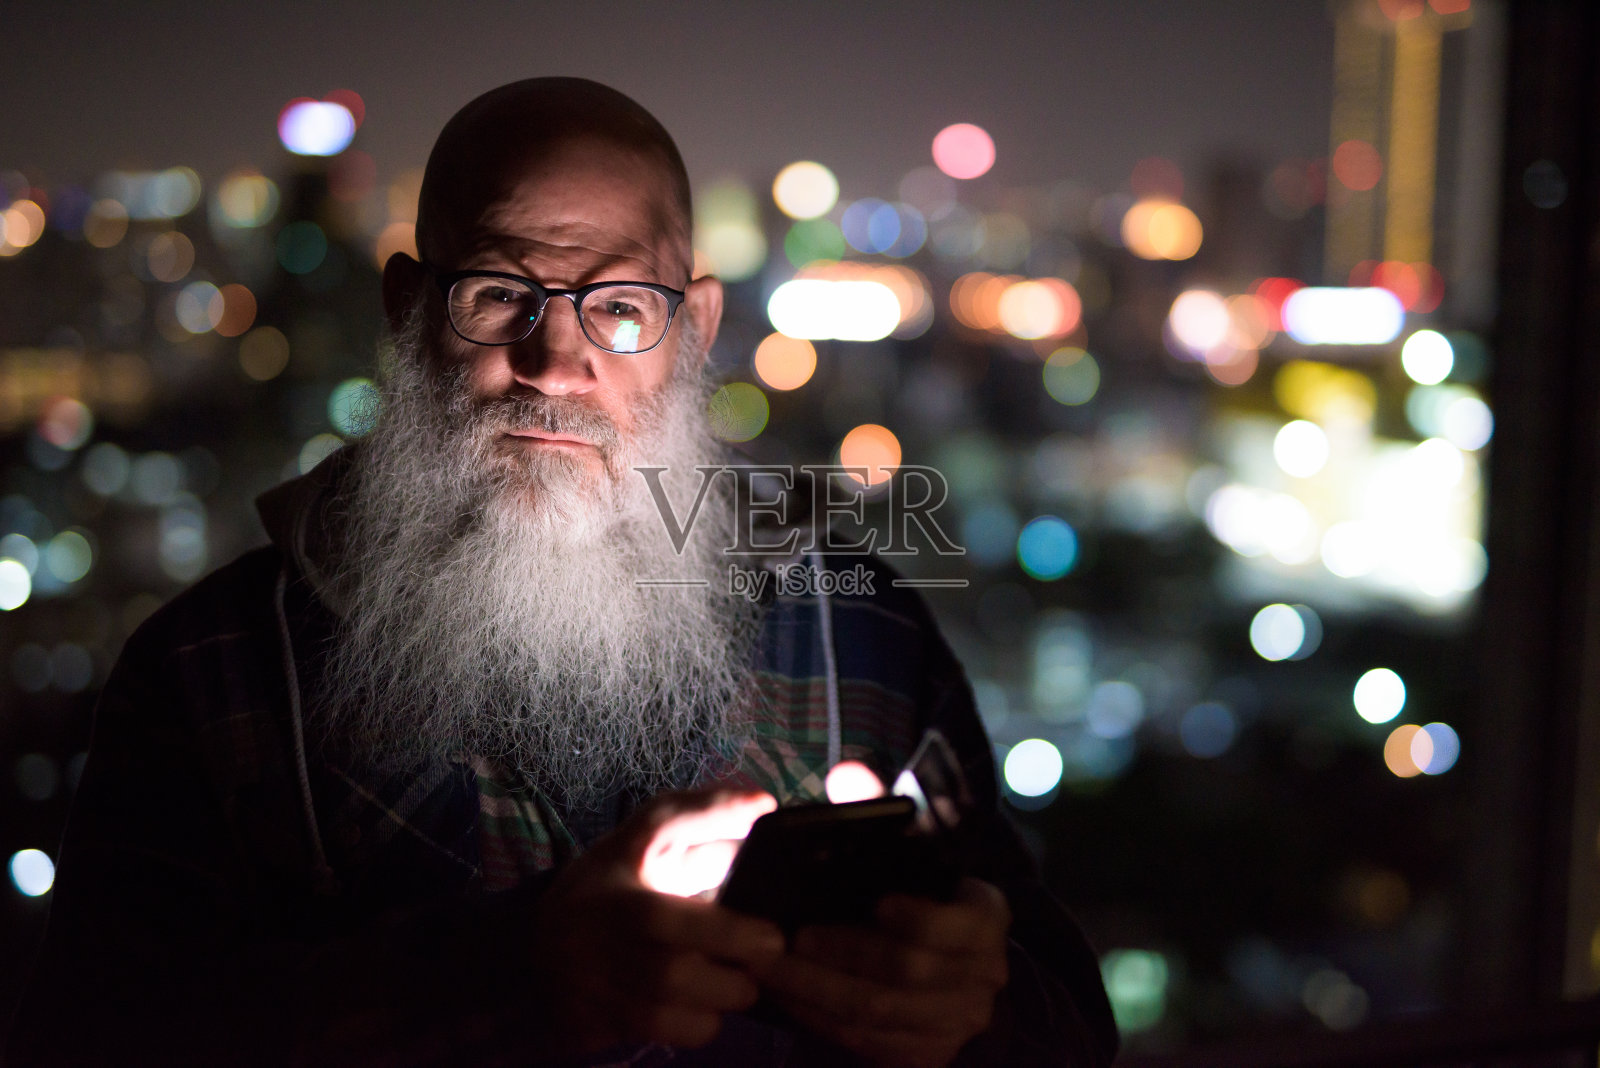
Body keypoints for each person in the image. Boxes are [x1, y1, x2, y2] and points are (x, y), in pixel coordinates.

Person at [9, 78, 1117, 1067]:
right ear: (405, 311)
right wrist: (508, 979)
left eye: (621, 308)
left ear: (694, 334)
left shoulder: (854, 632)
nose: (556, 360)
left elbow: (1066, 1015)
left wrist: (976, 1006)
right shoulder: (214, 677)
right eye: (498, 294)